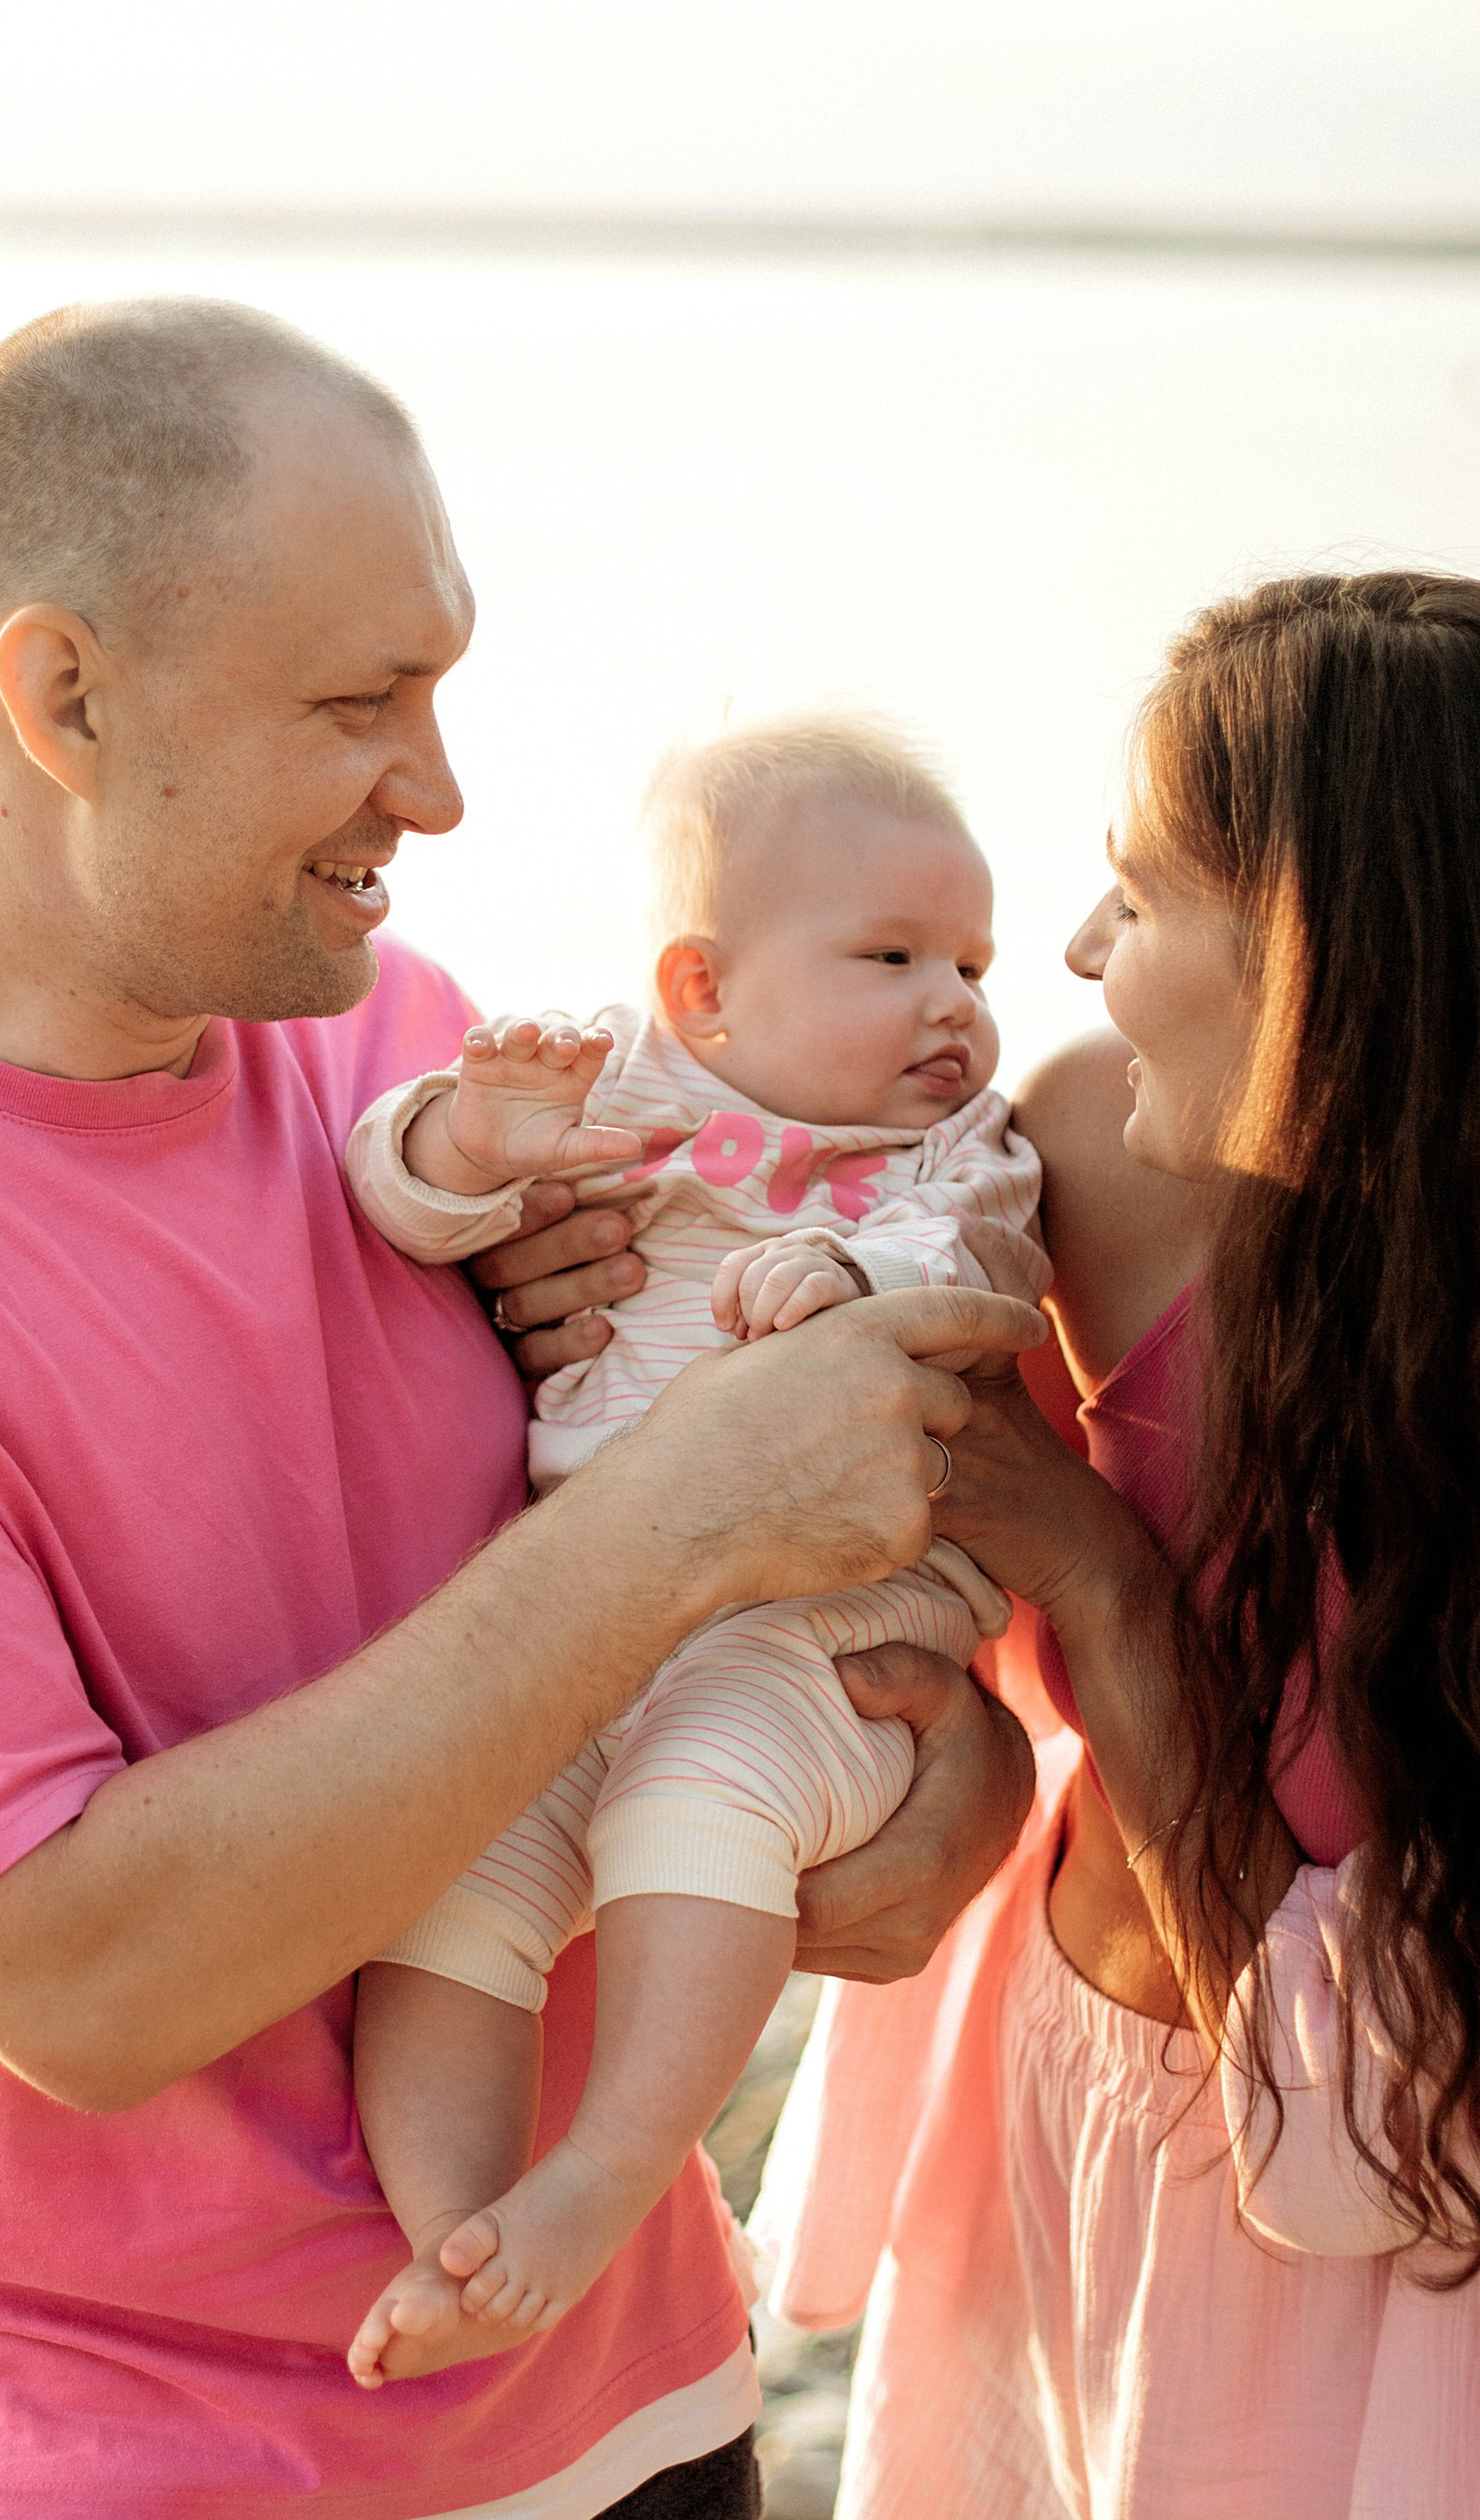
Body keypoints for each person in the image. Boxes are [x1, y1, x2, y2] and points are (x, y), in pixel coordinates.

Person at [0, 297, 1046, 2520]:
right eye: (359, 704)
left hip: (640, 2393)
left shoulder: (400, 1049)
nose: (436, 791)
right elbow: (86, 1974)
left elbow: (744, 1559)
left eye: (435, 687)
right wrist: (686, 1524)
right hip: (142, 2460)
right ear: (60, 694)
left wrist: (956, 1773)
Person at [738, 573, 1480, 2516]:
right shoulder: (1095, 1162)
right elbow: (760, 1317)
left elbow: (1396, 2124)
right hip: (1077, 2122)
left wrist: (1105, 1581)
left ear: (1339, 961)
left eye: (1143, 895)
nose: (1085, 950)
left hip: (1466, 2263)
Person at [335, 714, 1045, 2386]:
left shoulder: (950, 1149)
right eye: (893, 955)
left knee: (699, 1798)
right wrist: (467, 1148)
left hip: (830, 1621)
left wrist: (857, 1289)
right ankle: (456, 2226)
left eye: (972, 960)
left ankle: (611, 2173)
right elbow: (397, 1199)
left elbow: (990, 1264)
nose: (957, 1002)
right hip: (598, 1600)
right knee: (460, 1857)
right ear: (703, 988)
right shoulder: (618, 1098)